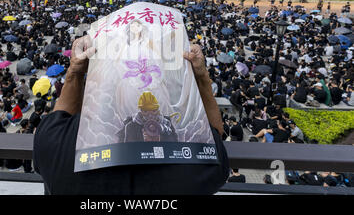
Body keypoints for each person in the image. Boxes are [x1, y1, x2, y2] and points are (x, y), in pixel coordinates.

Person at [34, 38, 229, 195]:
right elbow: (215, 136)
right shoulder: (198, 157)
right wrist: (202, 77)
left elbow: (62, 113)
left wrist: (75, 72)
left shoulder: (55, 141)